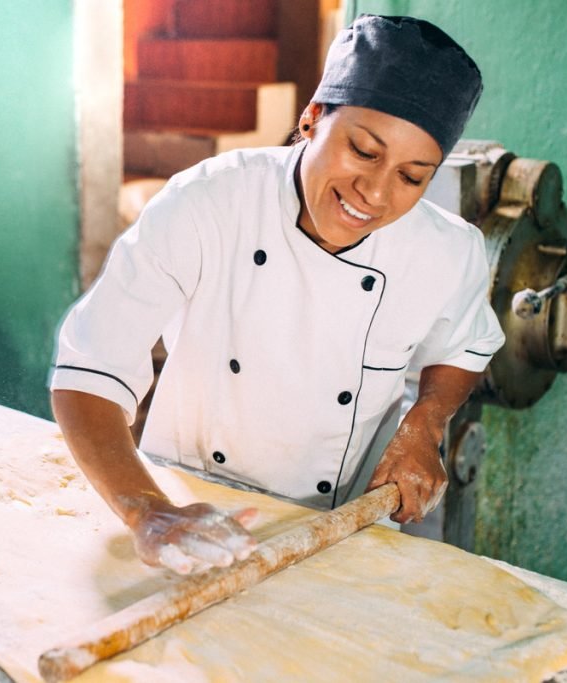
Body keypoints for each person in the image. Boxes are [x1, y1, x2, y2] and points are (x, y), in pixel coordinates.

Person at [50, 15, 505, 575]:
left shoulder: (447, 250)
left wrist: (427, 421)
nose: (375, 192)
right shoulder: (210, 202)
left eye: (412, 177)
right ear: (311, 120)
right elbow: (89, 369)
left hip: (334, 535)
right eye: (363, 151)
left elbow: (463, 346)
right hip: (185, 512)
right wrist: (147, 511)